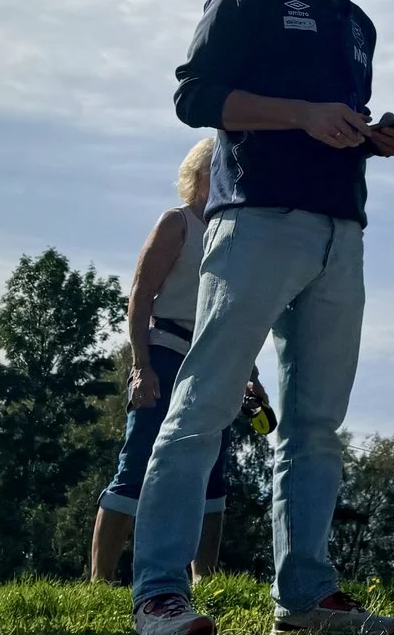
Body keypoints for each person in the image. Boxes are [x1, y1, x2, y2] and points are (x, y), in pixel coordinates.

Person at [128, 0, 394, 635]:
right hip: (256, 219)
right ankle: (158, 595)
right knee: (204, 404)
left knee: (316, 424)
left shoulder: (359, 26)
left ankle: (306, 594)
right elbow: (196, 96)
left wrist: (374, 138)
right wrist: (302, 114)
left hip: (340, 231)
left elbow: (334, 122)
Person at [90, 138, 270, 584]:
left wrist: (250, 374)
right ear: (197, 175)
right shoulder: (177, 224)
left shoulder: (238, 233)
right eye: (218, 168)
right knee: (137, 463)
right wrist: (140, 365)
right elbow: (139, 296)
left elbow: (237, 312)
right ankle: (100, 579)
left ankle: (204, 580)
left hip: (216, 359)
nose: (227, 177)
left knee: (211, 468)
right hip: (165, 353)